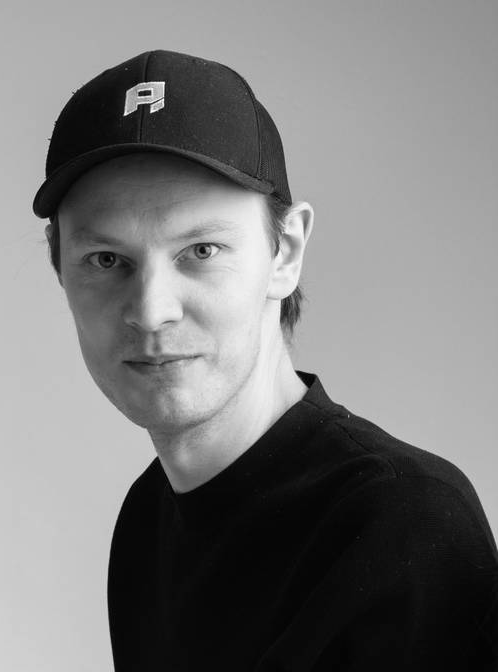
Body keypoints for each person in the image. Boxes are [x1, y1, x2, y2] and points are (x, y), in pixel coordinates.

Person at [32, 49, 498, 671]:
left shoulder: (404, 525)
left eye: (202, 250)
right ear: (60, 269)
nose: (151, 311)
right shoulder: (150, 517)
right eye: (106, 260)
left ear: (286, 253)